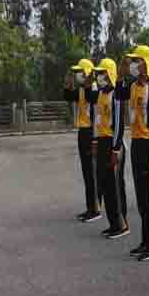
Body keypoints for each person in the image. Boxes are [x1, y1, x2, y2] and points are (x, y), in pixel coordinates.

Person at [118, 45, 149, 261]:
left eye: (138, 61)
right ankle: (145, 240)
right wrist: (121, 74)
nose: (135, 65)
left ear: (146, 63)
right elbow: (118, 93)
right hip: (137, 143)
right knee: (141, 197)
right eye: (133, 61)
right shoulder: (132, 86)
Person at [87, 58, 129, 239]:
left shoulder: (116, 96)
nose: (99, 77)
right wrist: (95, 141)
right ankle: (113, 224)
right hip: (102, 142)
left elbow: (119, 124)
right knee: (105, 184)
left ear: (110, 74)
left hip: (113, 143)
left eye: (102, 73)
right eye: (98, 74)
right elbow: (97, 120)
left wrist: (116, 149)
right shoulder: (100, 95)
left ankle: (121, 225)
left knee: (115, 187)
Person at [63, 59, 101, 223]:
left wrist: (94, 140)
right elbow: (68, 96)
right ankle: (90, 207)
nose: (77, 75)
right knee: (87, 173)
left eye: (80, 72)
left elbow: (94, 111)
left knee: (92, 174)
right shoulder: (81, 90)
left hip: (91, 133)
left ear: (87, 74)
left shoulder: (93, 90)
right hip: (82, 132)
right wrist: (68, 84)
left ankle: (95, 209)